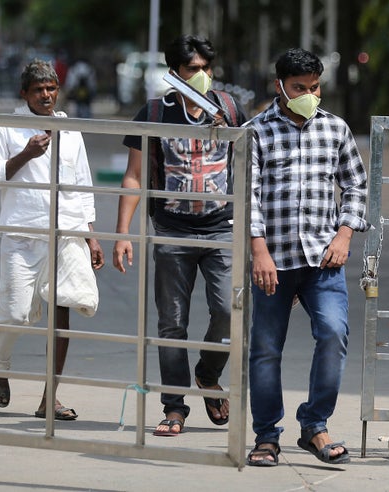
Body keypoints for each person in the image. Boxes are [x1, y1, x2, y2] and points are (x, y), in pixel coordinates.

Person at [113, 35, 246, 437]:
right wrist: (123, 234)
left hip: (221, 226)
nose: (203, 76)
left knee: (228, 311)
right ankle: (174, 407)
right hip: (172, 228)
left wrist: (229, 132)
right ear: (175, 74)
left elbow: (249, 165)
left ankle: (208, 373)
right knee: (172, 323)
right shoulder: (155, 111)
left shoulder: (229, 109)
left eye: (208, 68)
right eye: (193, 69)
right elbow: (135, 176)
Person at [246, 48, 369, 467]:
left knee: (334, 334)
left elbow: (356, 186)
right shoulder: (256, 132)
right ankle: (266, 435)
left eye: (314, 87)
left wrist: (345, 234)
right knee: (265, 348)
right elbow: (246, 195)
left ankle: (315, 424)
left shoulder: (335, 129)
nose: (308, 95)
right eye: (299, 88)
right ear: (278, 85)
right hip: (273, 261)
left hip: (323, 259)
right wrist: (258, 249)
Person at [0, 59, 104, 420]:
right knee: (16, 313)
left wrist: (91, 237)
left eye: (51, 89)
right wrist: (25, 154)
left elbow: (81, 185)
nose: (46, 95)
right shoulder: (8, 126)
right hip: (22, 233)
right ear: (25, 93)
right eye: (38, 90)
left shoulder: (70, 129)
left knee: (62, 312)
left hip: (66, 234)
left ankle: (50, 397)